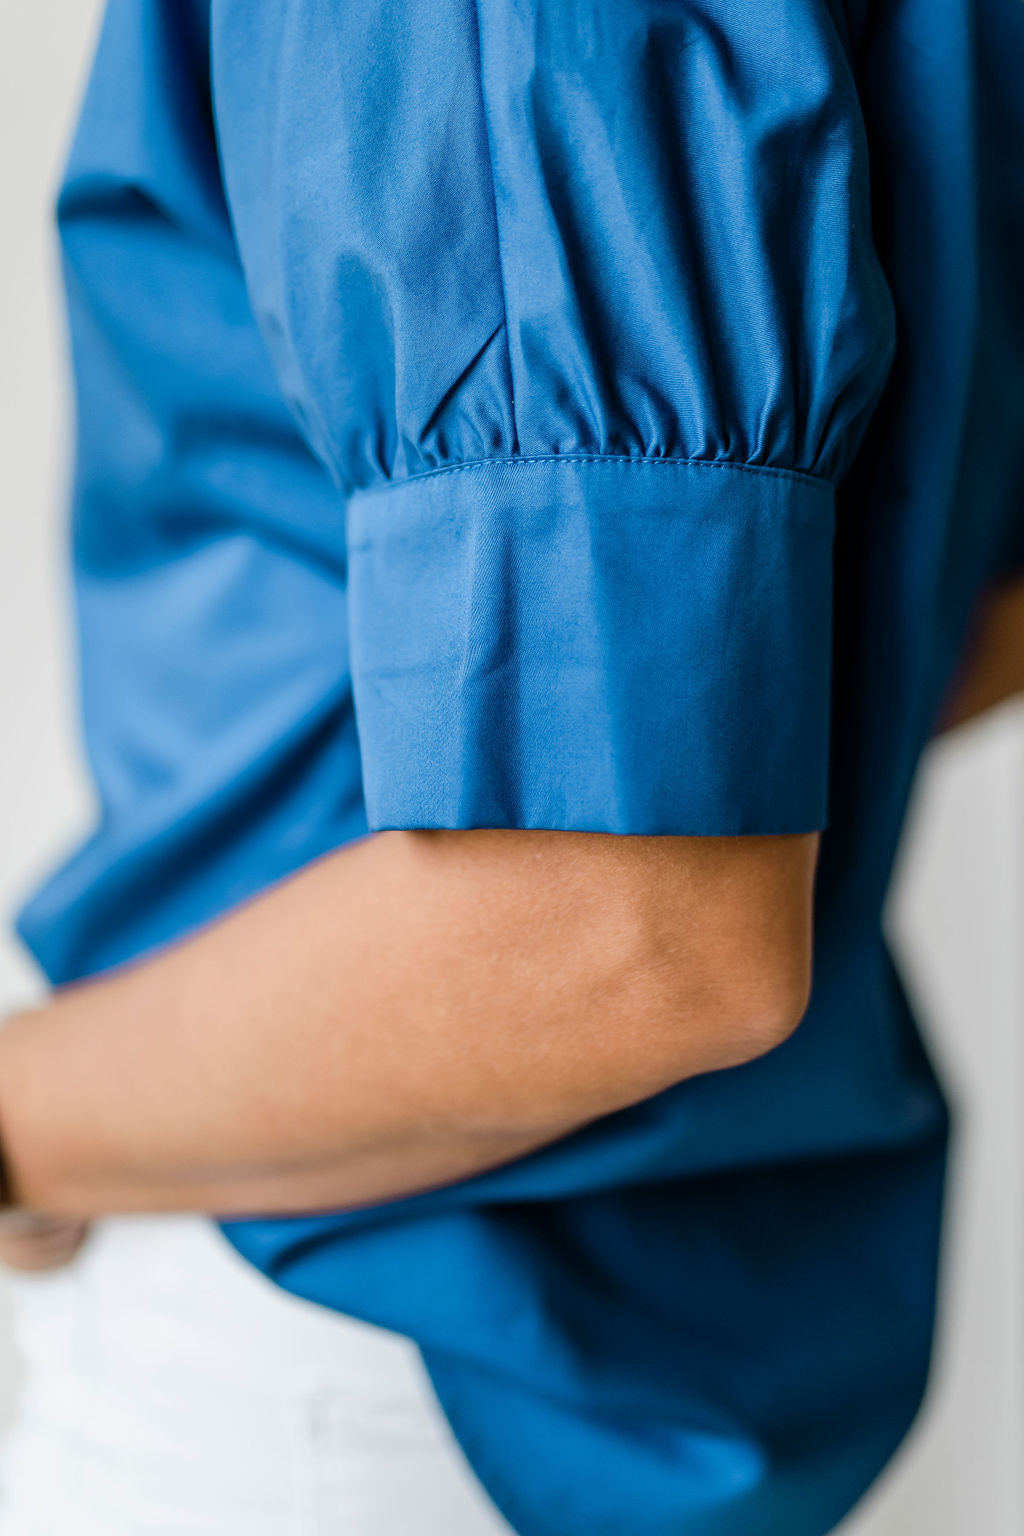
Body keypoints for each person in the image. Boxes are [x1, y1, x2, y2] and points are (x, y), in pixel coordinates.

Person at [0, 0, 1022, 1532]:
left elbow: (621, 934)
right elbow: (970, 609)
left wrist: (20, 1119)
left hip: (375, 1313)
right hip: (722, 1320)